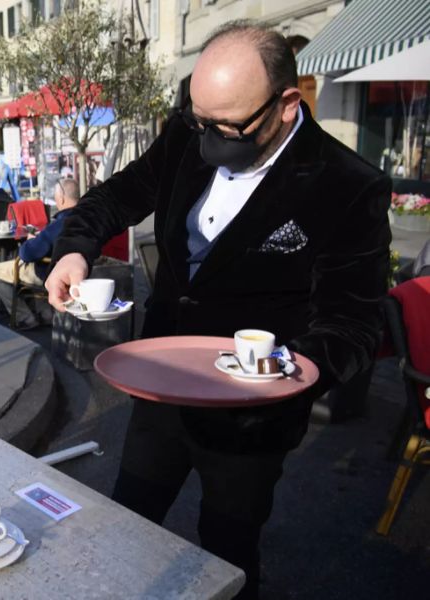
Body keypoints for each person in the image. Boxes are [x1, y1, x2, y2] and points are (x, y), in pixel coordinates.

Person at [45, 21, 390, 599]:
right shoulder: (191, 132)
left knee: (227, 557)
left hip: (251, 416)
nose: (206, 137)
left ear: (284, 104)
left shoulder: (347, 185)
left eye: (226, 125)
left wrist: (284, 369)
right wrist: (74, 248)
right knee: (126, 526)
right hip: (160, 380)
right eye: (198, 118)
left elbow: (352, 324)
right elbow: (117, 194)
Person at [0, 178, 79, 329]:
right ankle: (45, 314)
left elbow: (26, 254)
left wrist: (31, 240)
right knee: (41, 261)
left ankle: (24, 317)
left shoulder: (59, 224)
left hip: (49, 273)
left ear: (61, 199)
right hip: (73, 271)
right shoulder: (86, 219)